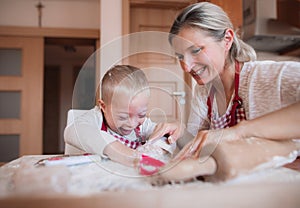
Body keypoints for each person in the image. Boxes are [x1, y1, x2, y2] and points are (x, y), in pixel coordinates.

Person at [151, 2, 300, 182]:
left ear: (227, 39)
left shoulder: (270, 76)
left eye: (196, 50)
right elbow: (196, 145)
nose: (186, 66)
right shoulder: (204, 92)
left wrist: (239, 131)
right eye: (181, 57)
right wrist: (180, 132)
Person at [64, 65, 183, 167]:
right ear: (104, 107)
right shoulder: (97, 118)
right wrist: (123, 153)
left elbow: (167, 136)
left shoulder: (143, 126)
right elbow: (73, 131)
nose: (132, 124)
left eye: (141, 114)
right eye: (123, 117)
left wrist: (156, 149)